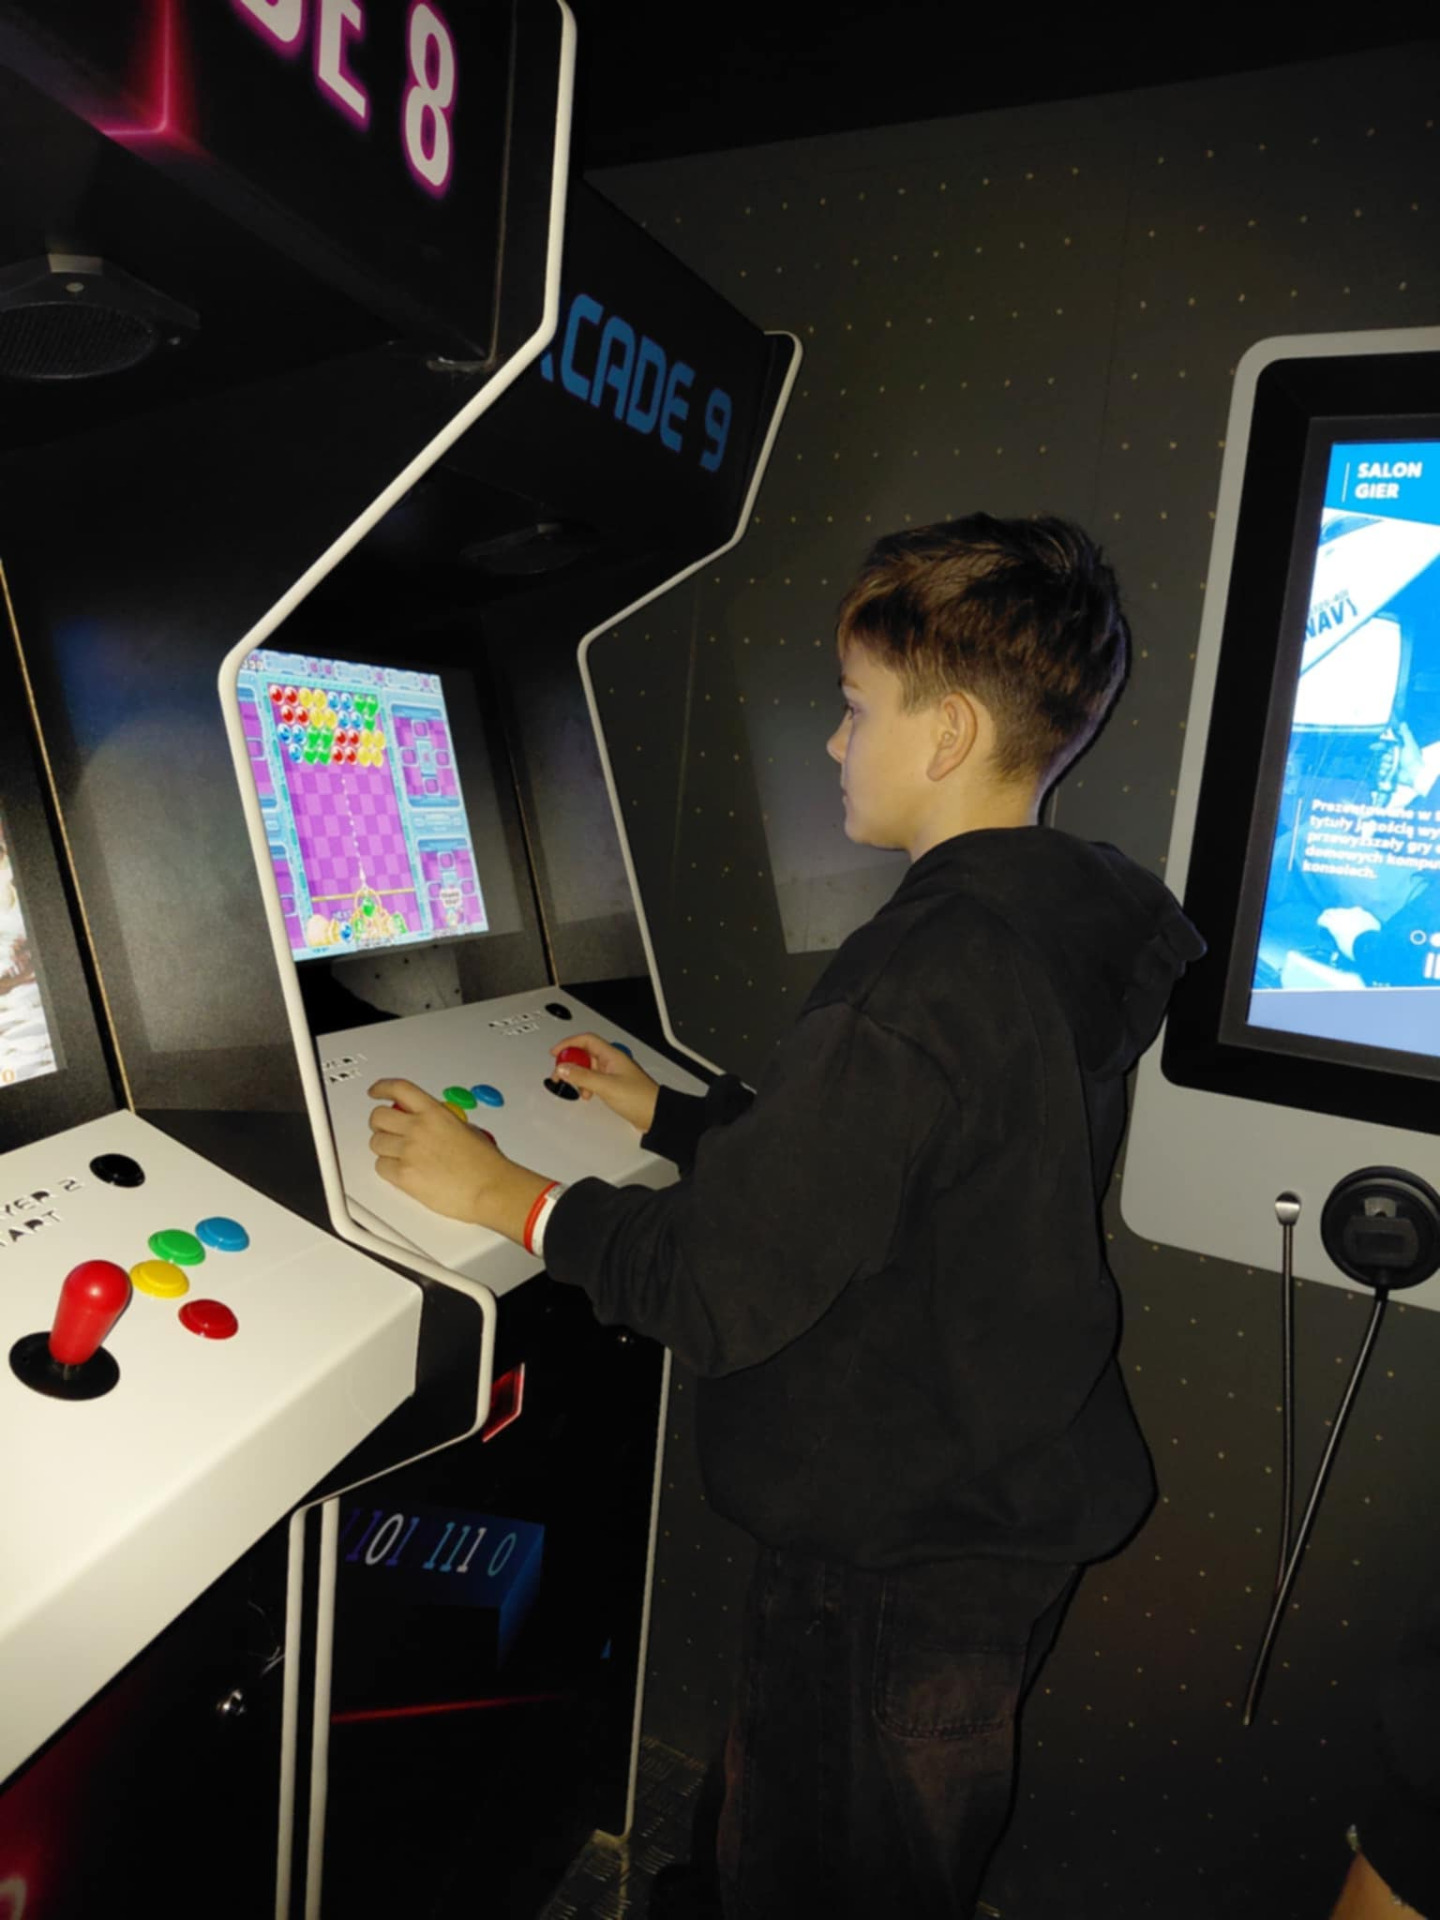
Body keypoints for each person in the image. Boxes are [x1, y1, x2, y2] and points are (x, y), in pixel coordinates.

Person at [367, 513, 1206, 1920]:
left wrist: (503, 1192)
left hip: (903, 1547)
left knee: (838, 1870)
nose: (831, 739)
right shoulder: (1070, 908)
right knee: (791, 1822)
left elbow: (713, 1288)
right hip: (986, 1487)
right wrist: (676, 1117)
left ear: (946, 735)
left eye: (855, 705)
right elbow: (898, 1165)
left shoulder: (922, 974)